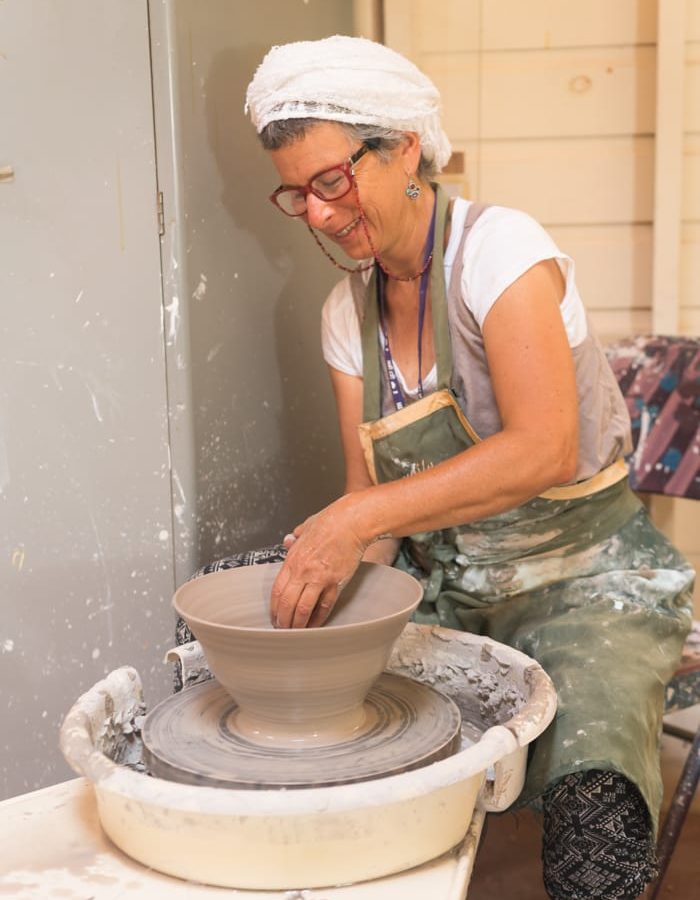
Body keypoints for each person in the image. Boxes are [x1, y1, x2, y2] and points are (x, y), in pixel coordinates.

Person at [185, 35, 695, 899]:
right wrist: (319, 566)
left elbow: (544, 448)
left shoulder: (499, 253)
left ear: (404, 149)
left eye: (333, 182)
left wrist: (359, 520)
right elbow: (369, 509)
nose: (316, 213)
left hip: (585, 584)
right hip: (450, 582)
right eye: (297, 193)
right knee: (246, 636)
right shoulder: (346, 314)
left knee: (595, 803)